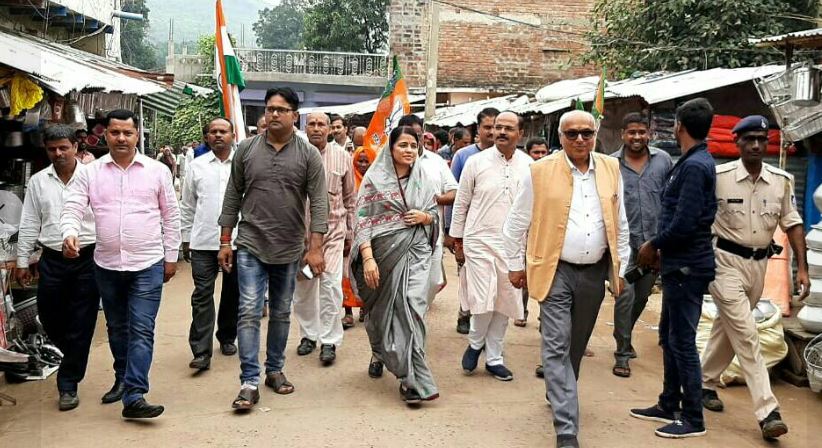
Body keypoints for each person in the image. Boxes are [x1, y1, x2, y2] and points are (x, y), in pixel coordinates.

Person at [502, 110, 629, 448]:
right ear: (560, 137)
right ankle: (566, 429)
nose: (579, 140)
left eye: (586, 133)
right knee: (556, 345)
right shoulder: (539, 171)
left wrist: (623, 267)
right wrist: (515, 265)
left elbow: (621, 222)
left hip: (594, 272)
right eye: (571, 134)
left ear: (595, 135)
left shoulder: (611, 169)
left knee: (575, 345)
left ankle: (560, 390)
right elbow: (516, 223)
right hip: (554, 270)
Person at [61, 109, 181, 419]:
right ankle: (122, 377)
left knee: (141, 328)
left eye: (127, 133)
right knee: (117, 328)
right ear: (105, 135)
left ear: (137, 135)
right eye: (115, 133)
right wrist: (70, 233)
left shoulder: (157, 171)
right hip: (107, 265)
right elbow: (73, 205)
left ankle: (134, 394)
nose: (121, 138)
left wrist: (171, 256)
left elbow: (171, 215)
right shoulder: (91, 172)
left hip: (148, 263)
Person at [218, 87, 328, 411]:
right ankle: (249, 381)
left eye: (281, 109)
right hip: (250, 243)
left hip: (290, 247)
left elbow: (319, 204)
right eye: (270, 109)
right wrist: (226, 241)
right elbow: (231, 197)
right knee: (249, 310)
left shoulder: (309, 155)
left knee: (281, 312)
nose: (274, 114)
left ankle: (275, 370)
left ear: (295, 115)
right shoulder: (246, 150)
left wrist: (316, 248)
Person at [700, 115, 808, 440]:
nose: (757, 145)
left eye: (762, 139)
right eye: (750, 140)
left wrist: (801, 268)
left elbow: (792, 223)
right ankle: (768, 411)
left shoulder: (781, 180)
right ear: (738, 143)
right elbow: (697, 217)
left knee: (728, 328)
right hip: (724, 263)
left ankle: (702, 382)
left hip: (758, 266)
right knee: (747, 334)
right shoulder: (718, 177)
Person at [630, 98, 717, 439]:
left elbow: (685, 220)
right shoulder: (691, 162)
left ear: (679, 125)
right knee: (669, 336)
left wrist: (654, 244)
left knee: (682, 341)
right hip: (678, 264)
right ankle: (669, 402)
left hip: (687, 267)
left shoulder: (695, 167)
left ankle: (693, 418)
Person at [351, 125, 440, 404]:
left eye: (414, 146)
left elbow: (434, 212)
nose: (409, 150)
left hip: (416, 252)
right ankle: (379, 351)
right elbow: (363, 220)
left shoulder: (423, 178)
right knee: (380, 312)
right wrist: (367, 258)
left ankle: (410, 378)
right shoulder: (374, 180)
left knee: (412, 308)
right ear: (391, 149)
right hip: (382, 255)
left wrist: (425, 218)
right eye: (403, 145)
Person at [16, 125, 97, 411]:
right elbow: (28, 222)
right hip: (52, 258)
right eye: (52, 149)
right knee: (50, 316)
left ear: (76, 146)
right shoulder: (38, 182)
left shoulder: (94, 177)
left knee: (82, 320)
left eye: (63, 147)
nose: (58, 153)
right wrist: (23, 260)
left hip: (88, 257)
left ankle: (68, 384)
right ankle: (72, 354)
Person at [451, 111, 532, 382]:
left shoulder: (529, 165)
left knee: (505, 302)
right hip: (479, 241)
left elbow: (534, 209)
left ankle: (494, 358)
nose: (501, 132)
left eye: (508, 128)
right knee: (482, 299)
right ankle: (476, 343)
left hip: (513, 246)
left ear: (520, 133)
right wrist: (457, 239)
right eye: (498, 127)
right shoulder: (475, 162)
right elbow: (461, 202)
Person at [610, 113, 673, 377]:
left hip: (652, 245)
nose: (637, 137)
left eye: (642, 132)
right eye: (631, 132)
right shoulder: (610, 164)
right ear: (623, 134)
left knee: (643, 296)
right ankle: (622, 352)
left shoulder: (664, 161)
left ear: (649, 133)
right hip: (624, 243)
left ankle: (623, 333)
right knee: (625, 295)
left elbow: (670, 199)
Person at [293, 112, 356, 366]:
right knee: (304, 287)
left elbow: (351, 199)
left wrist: (351, 232)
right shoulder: (295, 155)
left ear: (330, 129)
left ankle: (329, 341)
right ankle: (308, 335)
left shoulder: (342, 156)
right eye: (312, 124)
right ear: (304, 128)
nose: (317, 128)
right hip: (300, 236)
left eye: (322, 124)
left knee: (330, 286)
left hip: (333, 233)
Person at [180, 117, 240, 372]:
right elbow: (187, 205)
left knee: (233, 293)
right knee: (202, 294)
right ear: (206, 137)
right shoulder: (196, 166)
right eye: (213, 132)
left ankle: (227, 337)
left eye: (223, 131)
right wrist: (185, 239)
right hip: (203, 241)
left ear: (232, 134)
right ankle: (201, 351)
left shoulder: (243, 163)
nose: (218, 135)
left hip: (238, 241)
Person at [448, 107, 499, 334]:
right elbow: (455, 196)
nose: (492, 132)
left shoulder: (510, 158)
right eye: (487, 127)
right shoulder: (464, 156)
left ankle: (485, 322)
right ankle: (464, 313)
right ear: (478, 129)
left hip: (497, 232)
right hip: (469, 231)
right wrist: (453, 233)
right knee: (467, 274)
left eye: (496, 127)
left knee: (495, 279)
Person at [513, 136, 552, 328]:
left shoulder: (554, 173)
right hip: (526, 231)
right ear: (529, 154)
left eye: (543, 152)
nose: (540, 156)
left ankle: (545, 317)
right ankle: (522, 311)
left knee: (548, 275)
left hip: (547, 232)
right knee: (526, 273)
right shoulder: (524, 173)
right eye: (536, 152)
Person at [342, 142, 376, 328]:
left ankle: (365, 307)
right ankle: (348, 311)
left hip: (370, 233)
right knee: (346, 273)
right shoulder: (349, 179)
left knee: (366, 272)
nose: (363, 164)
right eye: (359, 161)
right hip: (350, 232)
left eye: (366, 161)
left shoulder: (376, 180)